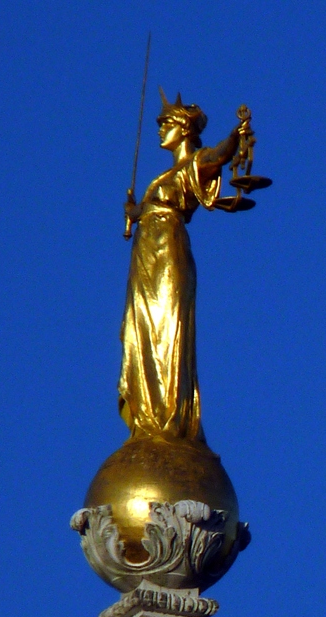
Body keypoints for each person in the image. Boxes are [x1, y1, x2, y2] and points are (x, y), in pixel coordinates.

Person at [118, 90, 248, 442]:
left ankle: (169, 416)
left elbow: (219, 156)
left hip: (168, 252)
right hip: (146, 256)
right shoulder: (164, 176)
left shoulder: (195, 162)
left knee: (168, 328)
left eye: (166, 125)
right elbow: (150, 209)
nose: (160, 130)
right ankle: (147, 412)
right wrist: (137, 212)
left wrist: (237, 135)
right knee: (142, 329)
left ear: (184, 130)